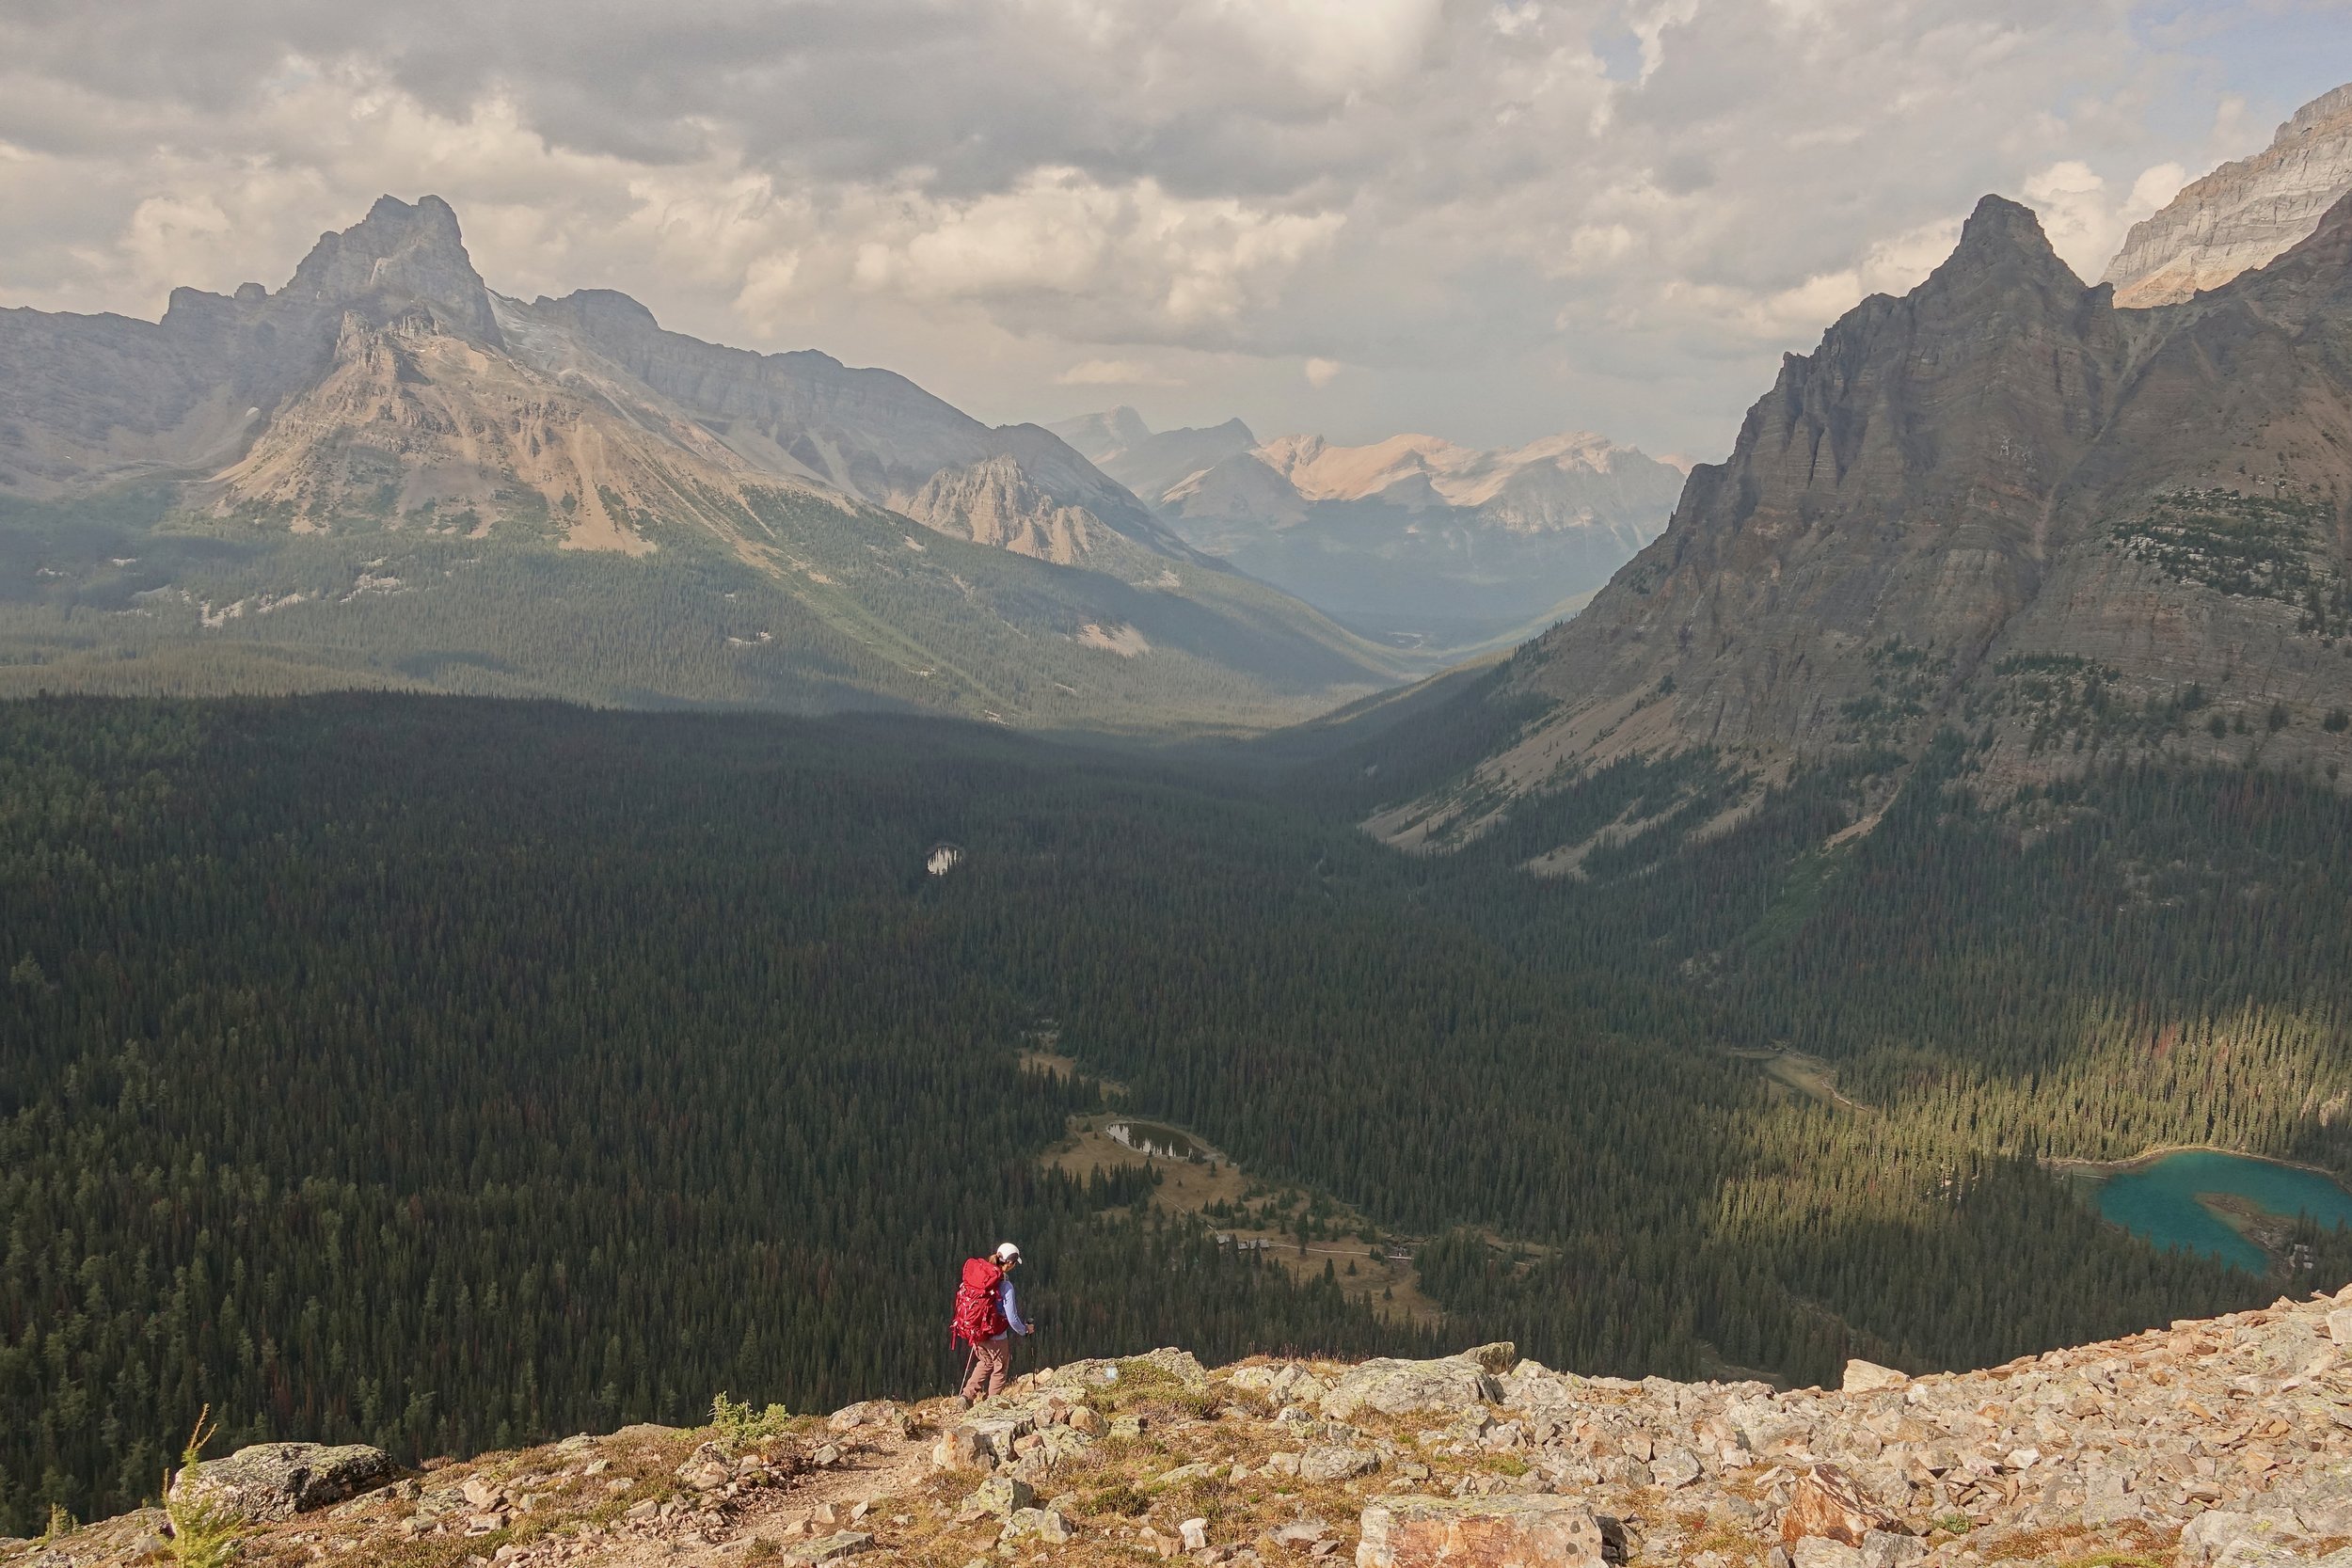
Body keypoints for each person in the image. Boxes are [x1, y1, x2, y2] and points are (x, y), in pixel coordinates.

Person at [954, 1242, 1032, 1405]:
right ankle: (992, 1404)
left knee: (985, 1362)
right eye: (1014, 1264)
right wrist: (1025, 1330)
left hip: (975, 1331)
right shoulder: (1006, 1286)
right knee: (999, 1367)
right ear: (1010, 1263)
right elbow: (1012, 1318)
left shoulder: (981, 1277)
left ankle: (966, 1396)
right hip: (996, 1336)